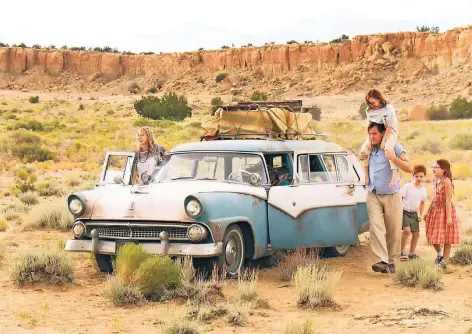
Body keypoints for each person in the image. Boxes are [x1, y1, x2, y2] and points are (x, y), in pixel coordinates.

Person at [359, 122, 413, 274]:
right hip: (373, 194)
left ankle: (392, 262)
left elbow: (410, 167)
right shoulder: (368, 148)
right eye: (370, 134)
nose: (372, 137)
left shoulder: (394, 146)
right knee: (376, 227)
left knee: (393, 229)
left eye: (375, 134)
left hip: (392, 195)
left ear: (383, 134)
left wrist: (393, 158)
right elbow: (362, 158)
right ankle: (382, 260)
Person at [424, 159, 460, 270]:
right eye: (433, 167)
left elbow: (448, 200)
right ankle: (440, 254)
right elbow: (432, 197)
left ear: (443, 169)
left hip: (445, 210)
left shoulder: (446, 181)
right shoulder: (434, 179)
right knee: (432, 236)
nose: (433, 169)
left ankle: (444, 261)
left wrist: (449, 217)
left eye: (436, 167)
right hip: (435, 210)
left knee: (447, 237)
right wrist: (427, 210)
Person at [360, 89, 399, 188]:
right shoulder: (369, 111)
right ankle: (366, 175)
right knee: (364, 149)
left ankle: (395, 174)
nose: (371, 105)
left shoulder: (388, 108)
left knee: (388, 148)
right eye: (369, 103)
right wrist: (369, 140)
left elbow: (389, 126)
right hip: (375, 132)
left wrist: (384, 141)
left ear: (379, 99)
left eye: (373, 102)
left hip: (389, 131)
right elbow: (370, 126)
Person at [400, 165, 428, 261]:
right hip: (404, 211)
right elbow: (400, 198)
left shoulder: (423, 190)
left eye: (421, 176)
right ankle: (402, 252)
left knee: (416, 234)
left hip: (414, 213)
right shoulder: (407, 186)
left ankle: (412, 254)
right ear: (413, 176)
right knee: (407, 231)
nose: (419, 178)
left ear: (424, 176)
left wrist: (420, 214)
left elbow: (422, 203)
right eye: (416, 176)